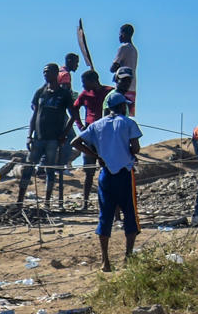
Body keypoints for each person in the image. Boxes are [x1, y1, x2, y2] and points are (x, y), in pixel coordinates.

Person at [73, 93, 142, 271]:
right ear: (121, 107)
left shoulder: (97, 125)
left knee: (105, 216)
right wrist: (129, 150)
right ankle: (128, 256)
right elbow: (136, 147)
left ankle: (105, 261)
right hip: (125, 173)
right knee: (130, 214)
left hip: (106, 174)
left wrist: (96, 155)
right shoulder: (128, 123)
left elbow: (76, 142)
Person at [19, 63, 77, 211]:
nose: (45, 74)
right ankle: (19, 201)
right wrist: (29, 136)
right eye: (44, 72)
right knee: (28, 167)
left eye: (48, 71)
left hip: (53, 139)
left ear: (55, 73)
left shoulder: (64, 94)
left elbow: (73, 115)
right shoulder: (40, 92)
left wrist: (64, 134)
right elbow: (34, 114)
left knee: (50, 170)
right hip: (38, 137)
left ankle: (47, 203)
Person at [73, 68, 110, 211]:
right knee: (89, 170)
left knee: (105, 170)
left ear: (93, 81)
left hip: (105, 135)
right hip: (89, 134)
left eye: (84, 82)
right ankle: (85, 203)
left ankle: (105, 202)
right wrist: (80, 125)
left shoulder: (108, 92)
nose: (83, 86)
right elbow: (74, 108)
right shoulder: (84, 95)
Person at [111, 24, 138, 114]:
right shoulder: (134, 50)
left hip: (122, 85)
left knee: (117, 112)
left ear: (124, 34)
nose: (119, 36)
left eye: (120, 34)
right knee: (127, 113)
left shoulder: (123, 48)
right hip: (132, 85)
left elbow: (113, 67)